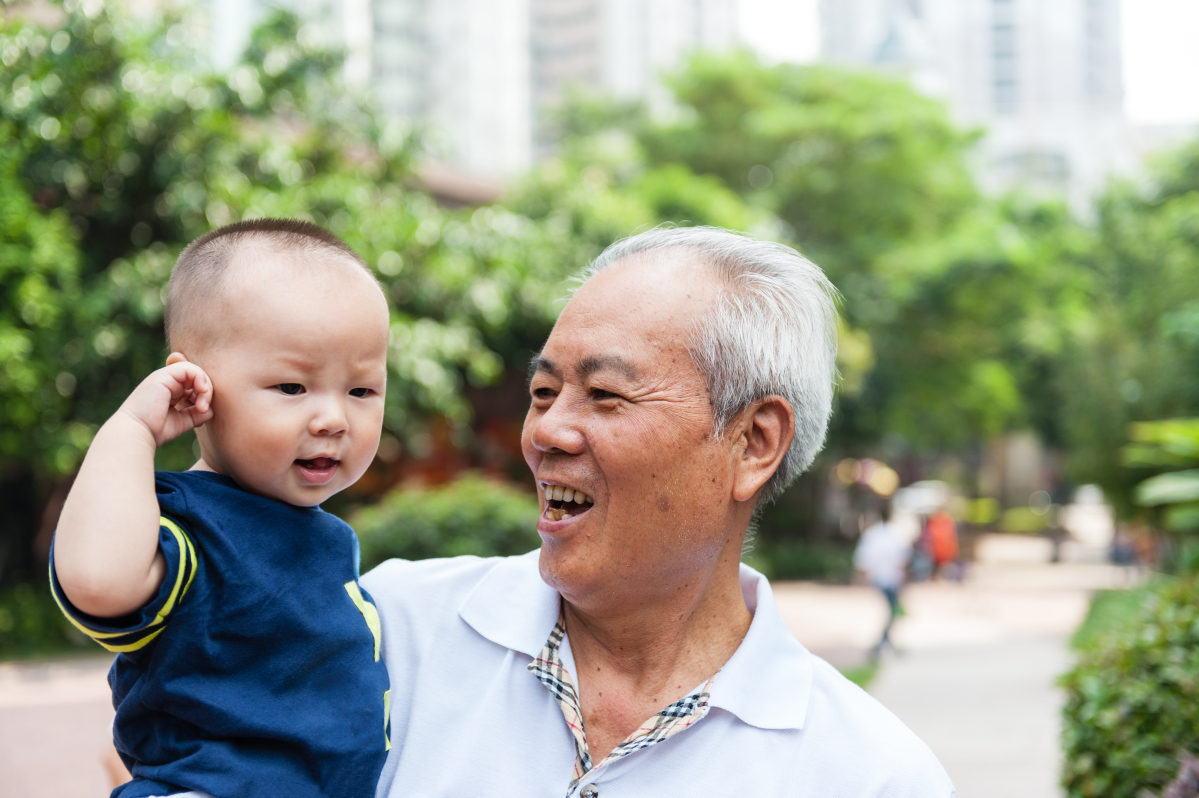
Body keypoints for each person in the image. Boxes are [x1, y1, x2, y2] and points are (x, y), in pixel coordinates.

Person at [363, 226, 953, 796]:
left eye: (605, 395)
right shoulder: (390, 633)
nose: (547, 431)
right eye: (543, 393)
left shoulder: (870, 777)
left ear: (753, 444)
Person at [50, 220, 392, 798]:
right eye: (291, 387)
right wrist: (132, 429)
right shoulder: (195, 526)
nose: (334, 418)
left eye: (361, 391)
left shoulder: (322, 537)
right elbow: (97, 581)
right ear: (193, 386)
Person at [853, 500, 912, 656]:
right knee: (893, 611)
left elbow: (863, 561)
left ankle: (885, 642)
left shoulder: (872, 535)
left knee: (893, 611)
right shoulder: (897, 534)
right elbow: (904, 561)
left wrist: (860, 579)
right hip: (892, 579)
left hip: (878, 579)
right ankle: (883, 642)